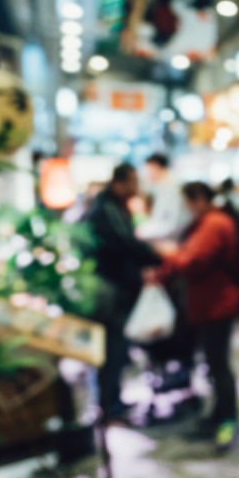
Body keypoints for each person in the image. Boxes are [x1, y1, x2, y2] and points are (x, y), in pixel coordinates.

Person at [152, 182, 239, 452]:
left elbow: (194, 260)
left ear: (200, 199)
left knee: (219, 365)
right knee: (214, 365)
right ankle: (218, 415)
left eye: (188, 202)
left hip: (217, 305)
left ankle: (228, 420)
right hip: (208, 304)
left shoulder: (214, 223)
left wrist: (168, 253)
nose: (187, 208)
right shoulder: (208, 222)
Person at [84, 164, 161, 423]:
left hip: (115, 285)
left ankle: (112, 401)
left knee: (117, 348)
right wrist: (156, 255)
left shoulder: (112, 206)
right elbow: (124, 243)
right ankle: (110, 406)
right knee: (113, 348)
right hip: (109, 288)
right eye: (133, 182)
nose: (136, 187)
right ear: (120, 183)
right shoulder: (106, 209)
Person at [137, 153, 189, 242]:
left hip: (172, 242)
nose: (146, 173)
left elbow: (175, 225)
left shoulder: (173, 189)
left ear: (155, 166)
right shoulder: (162, 188)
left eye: (148, 169)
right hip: (164, 239)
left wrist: (142, 232)